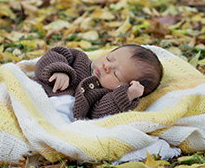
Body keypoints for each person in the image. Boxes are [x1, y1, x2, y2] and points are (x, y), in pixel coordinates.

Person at [33, 45, 163, 122]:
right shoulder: (79, 60)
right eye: (109, 58)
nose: (106, 66)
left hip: (55, 123)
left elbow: (99, 115)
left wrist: (127, 95)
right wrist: (59, 70)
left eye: (116, 74)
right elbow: (54, 54)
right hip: (35, 97)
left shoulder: (105, 97)